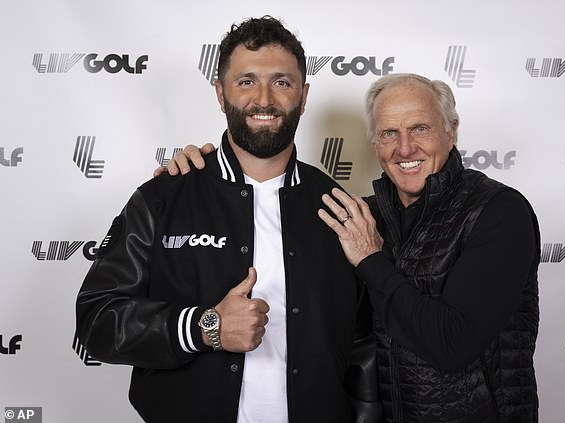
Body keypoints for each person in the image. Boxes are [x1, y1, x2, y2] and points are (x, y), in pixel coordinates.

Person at [170, 73, 540, 422]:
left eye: (420, 129)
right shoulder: (362, 214)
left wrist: (370, 259)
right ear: (374, 143)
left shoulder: (498, 211)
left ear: (451, 131)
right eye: (389, 133)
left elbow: (451, 344)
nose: (405, 147)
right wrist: (198, 176)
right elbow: (269, 218)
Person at [75, 16, 380, 423]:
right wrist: (205, 326)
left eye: (282, 82)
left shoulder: (339, 207)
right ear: (220, 93)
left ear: (304, 96)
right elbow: (97, 322)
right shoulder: (165, 196)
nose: (265, 99)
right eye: (247, 81)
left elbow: (364, 343)